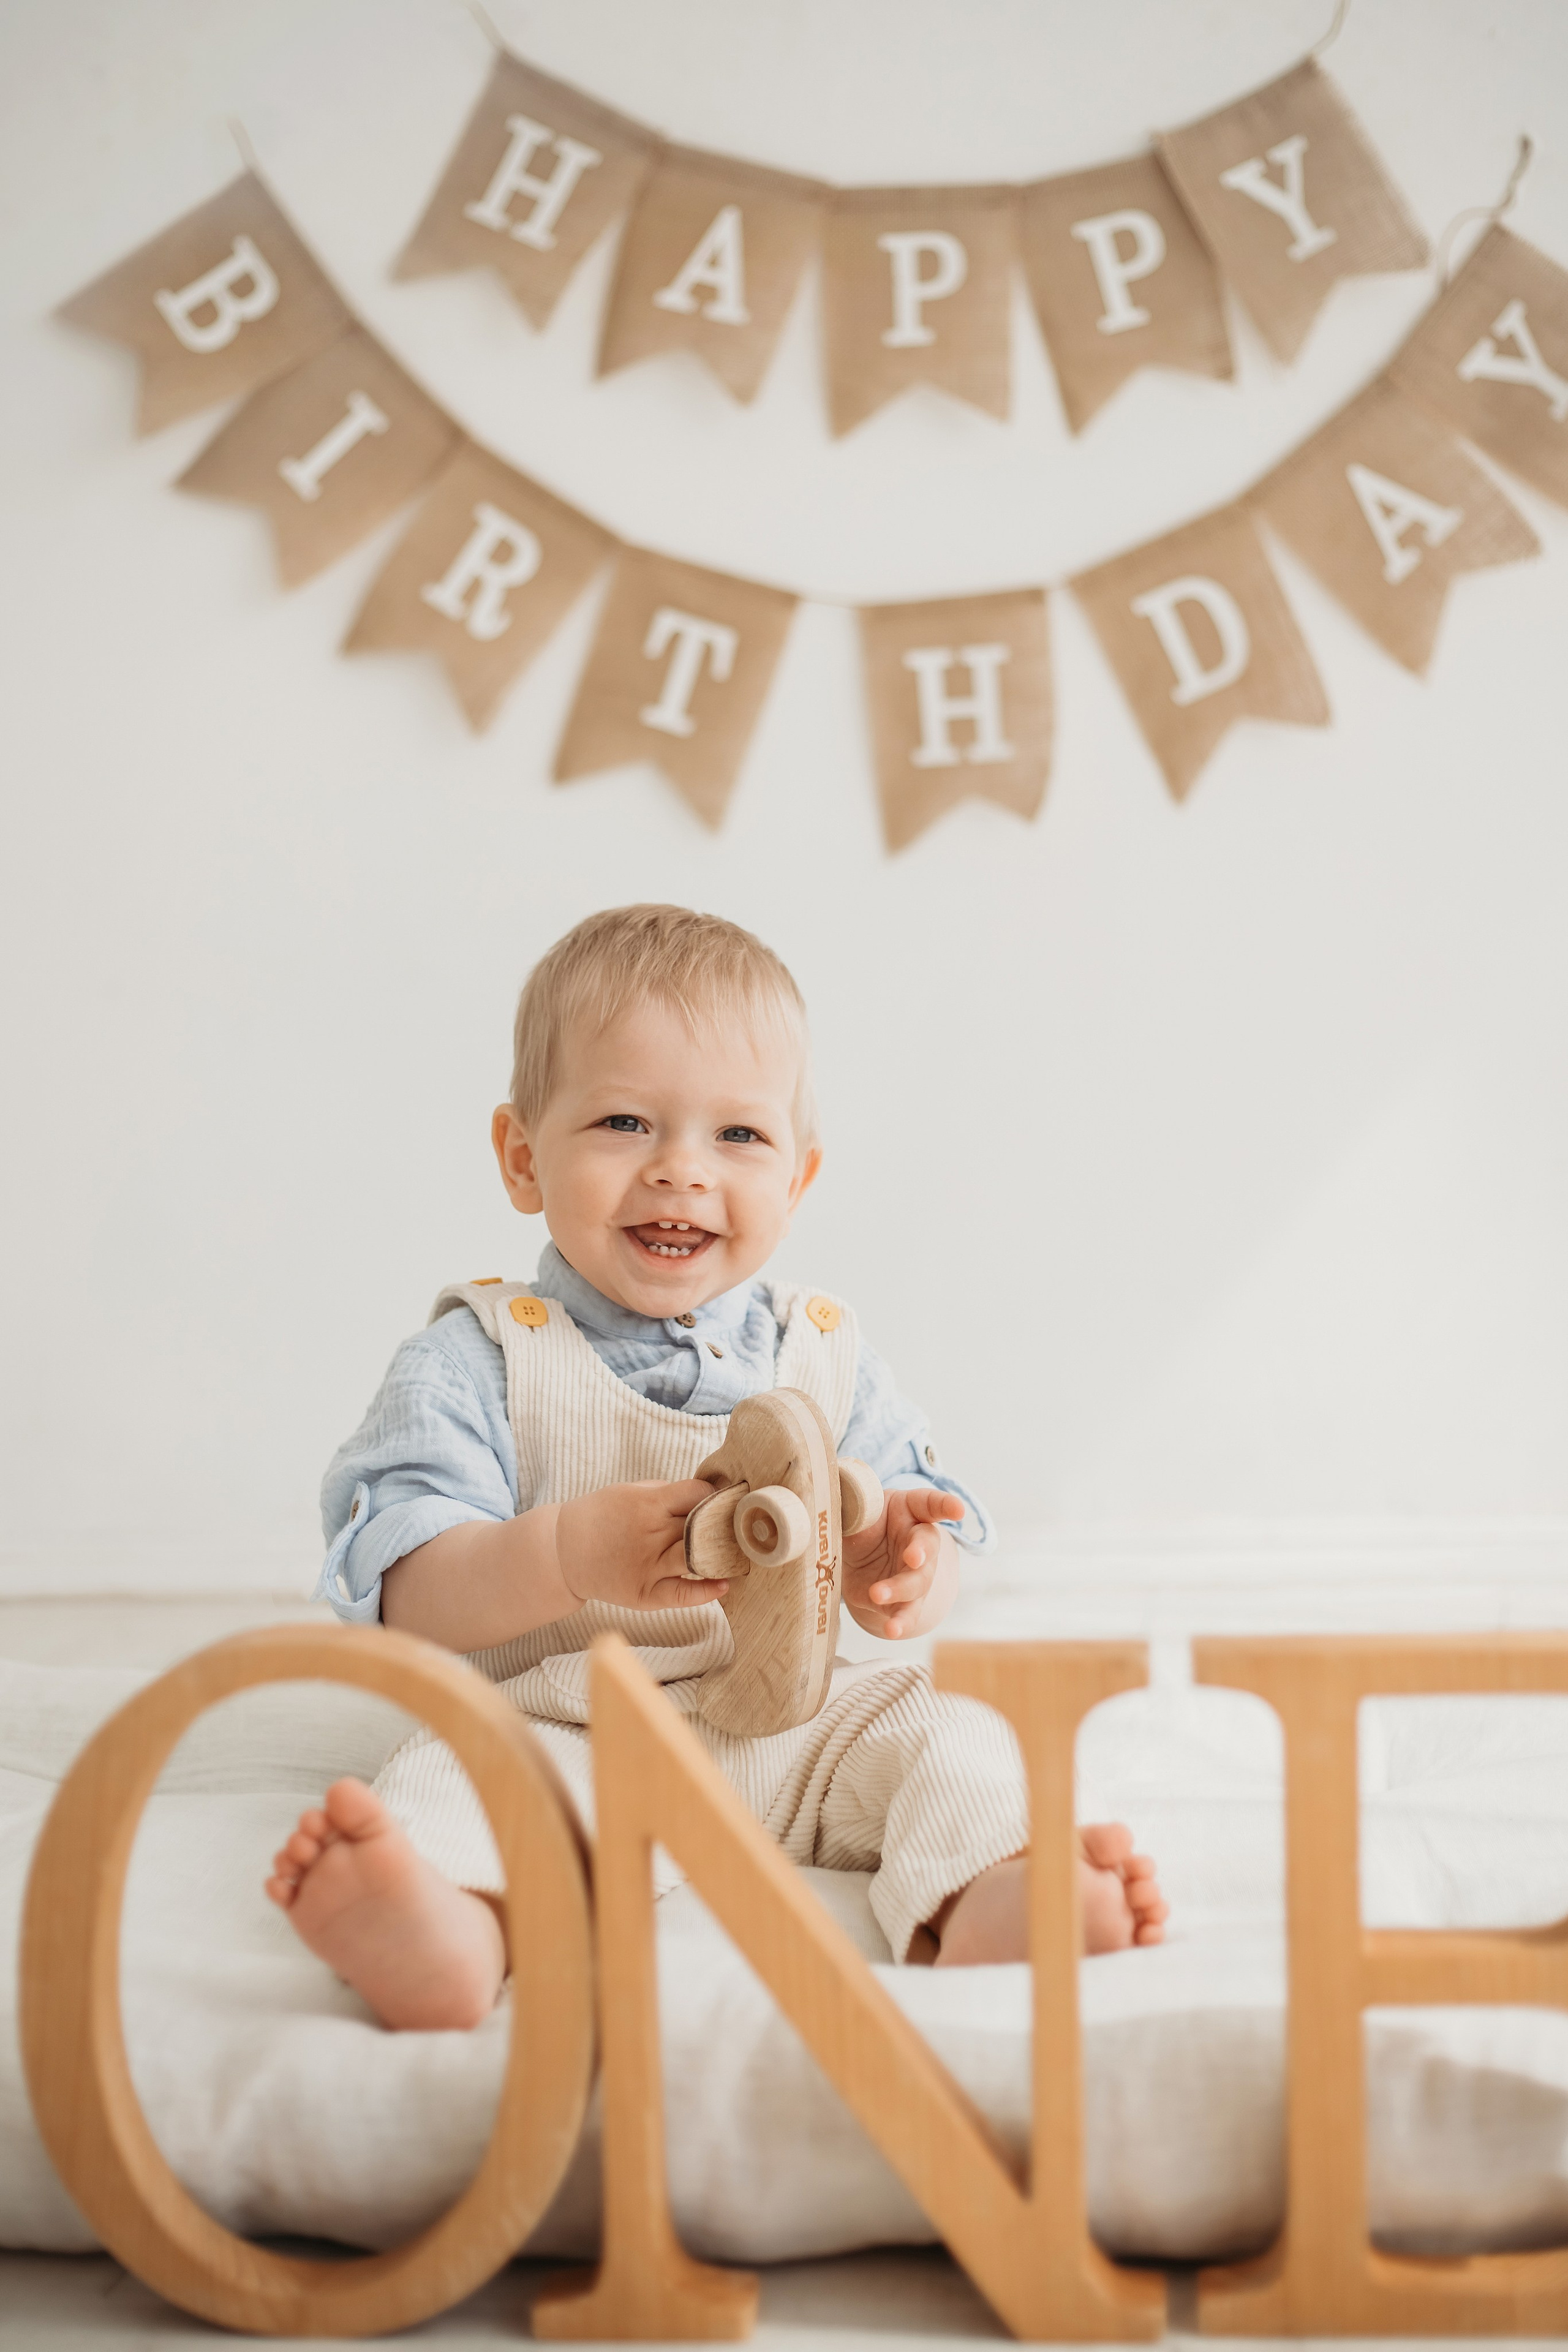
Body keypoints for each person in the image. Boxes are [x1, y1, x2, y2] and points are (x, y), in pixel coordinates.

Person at [266, 905, 1166, 2029]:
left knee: (954, 1732)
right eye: (625, 1121)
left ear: (799, 1178)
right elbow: (410, 1601)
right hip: (573, 1729)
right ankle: (450, 1927)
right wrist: (563, 1551)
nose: (681, 1173)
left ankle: (989, 1898)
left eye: (738, 1138)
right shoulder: (478, 1360)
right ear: (520, 1155)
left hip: (803, 1731)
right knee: (458, 1782)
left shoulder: (826, 1347)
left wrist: (903, 1567)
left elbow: (910, 1544)